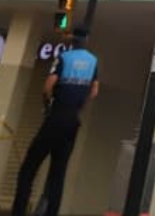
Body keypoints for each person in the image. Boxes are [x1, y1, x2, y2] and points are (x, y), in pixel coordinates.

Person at [11, 28, 100, 216]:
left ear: (72, 40)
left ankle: (18, 212)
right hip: (73, 121)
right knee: (58, 174)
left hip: (56, 117)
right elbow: (94, 91)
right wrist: (79, 105)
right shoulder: (93, 61)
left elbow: (49, 85)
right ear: (87, 40)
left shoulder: (64, 57)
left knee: (29, 167)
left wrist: (49, 102)